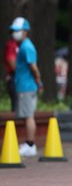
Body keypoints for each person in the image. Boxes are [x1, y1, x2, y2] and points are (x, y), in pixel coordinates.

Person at [10, 17, 43, 157]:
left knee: (29, 116)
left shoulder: (26, 46)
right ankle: (29, 144)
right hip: (24, 85)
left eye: (17, 31)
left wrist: (39, 82)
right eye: (13, 31)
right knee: (26, 115)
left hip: (27, 86)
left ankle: (30, 145)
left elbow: (33, 67)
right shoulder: (22, 46)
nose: (14, 33)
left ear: (25, 31)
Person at [4, 29, 18, 112]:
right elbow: (10, 60)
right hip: (15, 76)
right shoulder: (12, 45)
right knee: (17, 105)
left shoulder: (18, 45)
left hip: (14, 76)